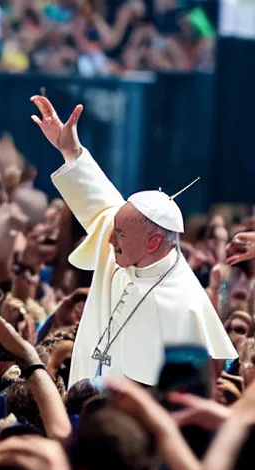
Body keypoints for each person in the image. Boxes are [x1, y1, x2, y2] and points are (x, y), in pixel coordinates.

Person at [30, 94, 237, 386]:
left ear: (152, 243)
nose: (110, 238)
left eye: (119, 233)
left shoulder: (184, 302)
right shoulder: (125, 245)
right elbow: (101, 206)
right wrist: (71, 151)